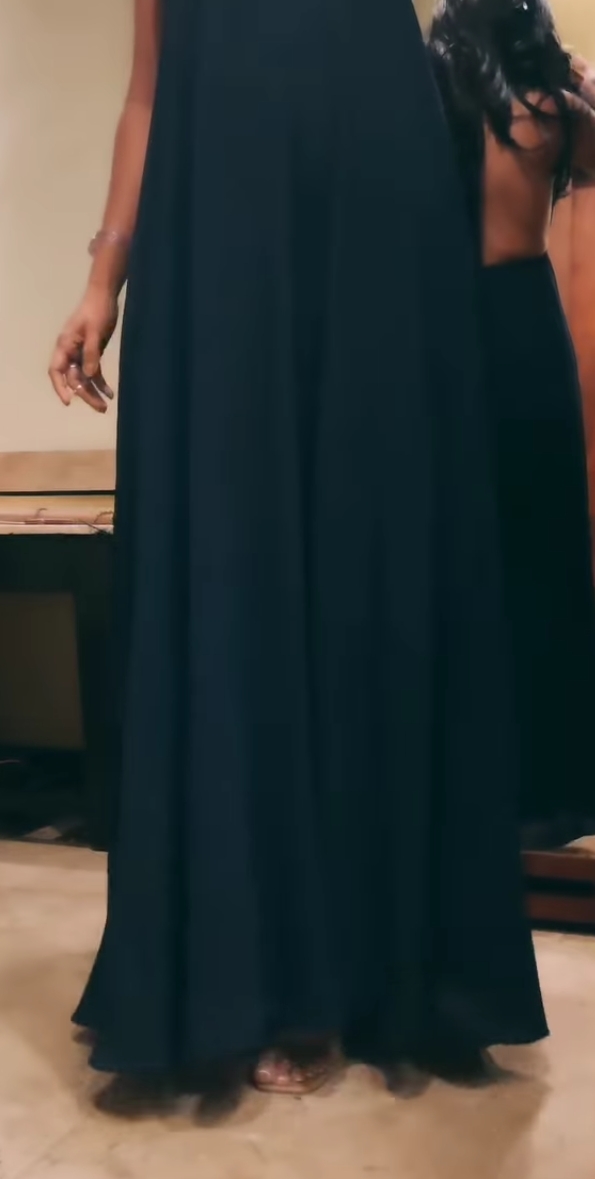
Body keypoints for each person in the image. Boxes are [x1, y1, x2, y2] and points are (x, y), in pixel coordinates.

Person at [49, 0, 548, 1098]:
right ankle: (251, 971)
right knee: (235, 561)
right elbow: (146, 92)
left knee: (372, 556)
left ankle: (374, 971)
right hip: (216, 210)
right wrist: (103, 275)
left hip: (375, 187)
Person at [428, 0, 595, 851]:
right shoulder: (553, 112)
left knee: (469, 556)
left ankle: (479, 783)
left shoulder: (438, 107)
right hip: (530, 320)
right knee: (547, 550)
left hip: (456, 323)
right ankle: (561, 783)